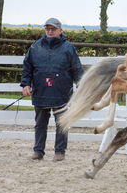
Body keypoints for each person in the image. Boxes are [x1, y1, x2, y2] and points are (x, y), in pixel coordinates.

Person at [20, 18, 83, 161]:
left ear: (60, 30)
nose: (50, 31)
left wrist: (81, 86)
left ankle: (59, 152)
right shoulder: (35, 47)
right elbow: (27, 67)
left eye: (53, 29)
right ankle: (38, 151)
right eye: (47, 28)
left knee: (62, 124)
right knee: (40, 124)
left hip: (62, 92)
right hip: (41, 91)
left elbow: (76, 68)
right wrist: (26, 84)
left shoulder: (68, 48)